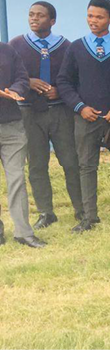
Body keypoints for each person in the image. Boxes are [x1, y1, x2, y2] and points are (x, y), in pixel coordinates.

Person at [57, 0, 110, 232]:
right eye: (90, 16)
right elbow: (64, 81)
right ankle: (89, 217)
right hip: (86, 118)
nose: (93, 21)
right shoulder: (76, 47)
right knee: (86, 166)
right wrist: (80, 107)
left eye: (99, 17)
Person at [9, 1, 84, 229]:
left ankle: (81, 209)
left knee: (71, 161)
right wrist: (27, 82)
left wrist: (60, 90)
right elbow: (10, 77)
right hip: (29, 113)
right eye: (31, 14)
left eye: (40, 16)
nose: (34, 19)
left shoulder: (66, 47)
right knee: (37, 164)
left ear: (52, 21)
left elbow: (78, 79)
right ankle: (46, 212)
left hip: (60, 111)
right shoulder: (17, 45)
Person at [0, 40, 45, 247]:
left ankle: (23, 233)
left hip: (12, 125)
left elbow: (22, 77)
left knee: (16, 177)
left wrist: (15, 90)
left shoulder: (7, 50)